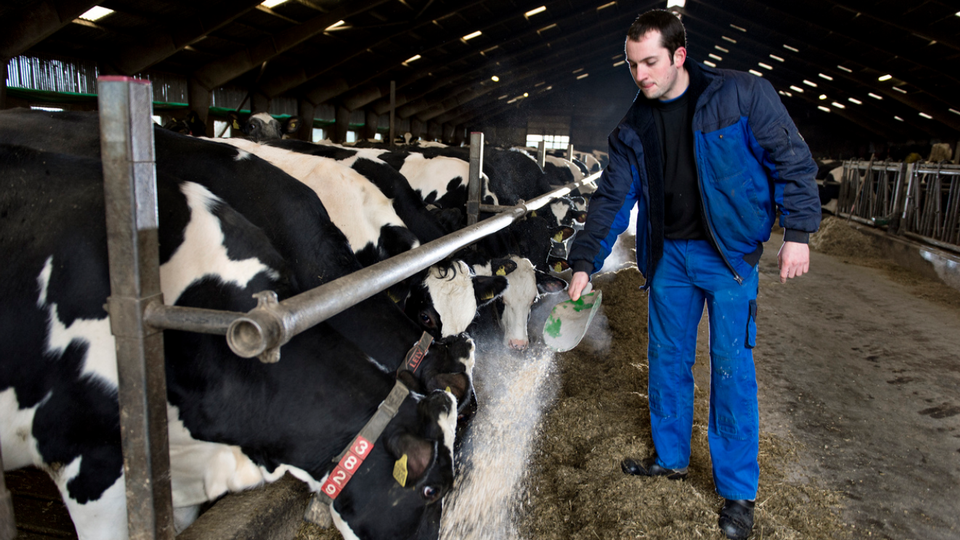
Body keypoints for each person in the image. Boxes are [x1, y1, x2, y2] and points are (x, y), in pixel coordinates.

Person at [565, 9, 821, 540]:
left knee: (729, 370)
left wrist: (798, 231)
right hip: (669, 260)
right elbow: (613, 198)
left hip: (728, 256)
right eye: (632, 65)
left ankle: (736, 493)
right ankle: (672, 457)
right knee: (667, 360)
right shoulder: (633, 126)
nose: (640, 76)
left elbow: (791, 159)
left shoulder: (743, 95)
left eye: (650, 62)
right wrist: (585, 261)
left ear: (680, 55)